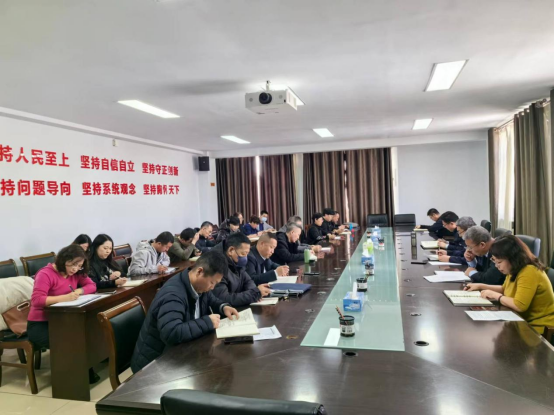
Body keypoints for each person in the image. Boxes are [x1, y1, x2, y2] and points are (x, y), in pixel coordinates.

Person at [130, 251, 240, 373]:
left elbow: (210, 299)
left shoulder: (197, 285)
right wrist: (207, 322)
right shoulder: (173, 294)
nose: (212, 287)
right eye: (212, 282)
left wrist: (223, 307)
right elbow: (171, 333)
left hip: (180, 353)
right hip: (154, 365)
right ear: (199, 271)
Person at [28, 245, 98, 383]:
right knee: (69, 341)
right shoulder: (45, 274)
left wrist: (78, 291)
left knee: (84, 334)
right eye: (73, 264)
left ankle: (84, 375)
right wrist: (64, 298)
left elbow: (92, 286)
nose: (75, 269)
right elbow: (36, 300)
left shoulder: (76, 273)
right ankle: (70, 381)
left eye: (79, 266)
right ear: (63, 260)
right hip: (40, 324)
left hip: (62, 320)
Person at [465, 235, 554, 335]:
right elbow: (505, 289)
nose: (497, 266)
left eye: (499, 262)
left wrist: (495, 295)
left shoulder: (529, 271)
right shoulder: (515, 268)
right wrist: (480, 286)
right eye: (494, 261)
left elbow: (519, 305)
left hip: (537, 327)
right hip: (520, 320)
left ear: (513, 258)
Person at [212, 232, 272, 307]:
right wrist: (253, 294)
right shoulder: (216, 265)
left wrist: (256, 293)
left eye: (247, 254)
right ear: (231, 250)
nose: (245, 257)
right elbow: (224, 299)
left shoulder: (235, 261)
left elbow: (248, 281)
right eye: (243, 254)